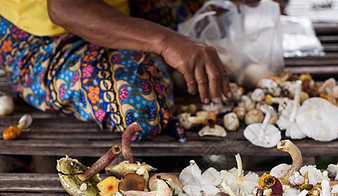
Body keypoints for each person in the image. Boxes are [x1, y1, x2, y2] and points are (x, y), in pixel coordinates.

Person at [0, 0, 238, 141]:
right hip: (44, 34)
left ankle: (152, 50)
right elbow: (64, 8)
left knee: (216, 9)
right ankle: (152, 55)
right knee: (140, 109)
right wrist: (165, 42)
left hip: (115, 7)